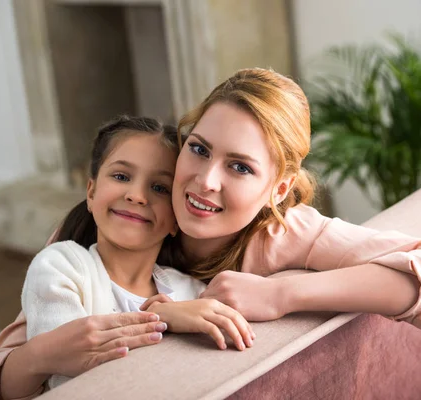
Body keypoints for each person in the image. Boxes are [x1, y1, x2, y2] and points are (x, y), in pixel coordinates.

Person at [0, 68, 421, 400]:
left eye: (241, 166)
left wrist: (282, 293)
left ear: (278, 190)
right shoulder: (112, 224)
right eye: (199, 150)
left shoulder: (284, 234)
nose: (203, 182)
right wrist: (38, 357)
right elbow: (2, 372)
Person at [23, 115, 255, 391]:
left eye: (159, 188)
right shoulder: (62, 266)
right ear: (92, 192)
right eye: (121, 176)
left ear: (176, 217)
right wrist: (162, 319)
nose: (136, 195)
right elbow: (70, 379)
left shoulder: (193, 293)